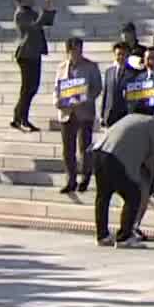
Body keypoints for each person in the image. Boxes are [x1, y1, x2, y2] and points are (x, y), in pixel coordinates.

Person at [92, 105, 154, 247]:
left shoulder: (133, 117)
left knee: (103, 195)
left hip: (98, 152)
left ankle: (102, 236)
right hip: (114, 158)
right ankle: (124, 237)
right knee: (133, 196)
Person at [55, 37, 104, 194]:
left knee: (85, 147)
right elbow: (57, 88)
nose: (78, 52)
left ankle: (85, 178)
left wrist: (85, 98)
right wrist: (58, 101)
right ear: (68, 51)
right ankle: (70, 179)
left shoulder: (91, 66)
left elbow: (97, 88)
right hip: (66, 112)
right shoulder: (61, 67)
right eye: (75, 49)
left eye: (80, 49)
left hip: (84, 112)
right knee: (67, 149)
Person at [9, 0, 57, 133]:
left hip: (34, 53)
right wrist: (44, 12)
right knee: (28, 88)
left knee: (32, 87)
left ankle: (21, 117)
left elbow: (46, 22)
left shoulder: (31, 12)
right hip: (26, 54)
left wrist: (48, 10)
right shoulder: (20, 14)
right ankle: (19, 118)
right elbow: (34, 27)